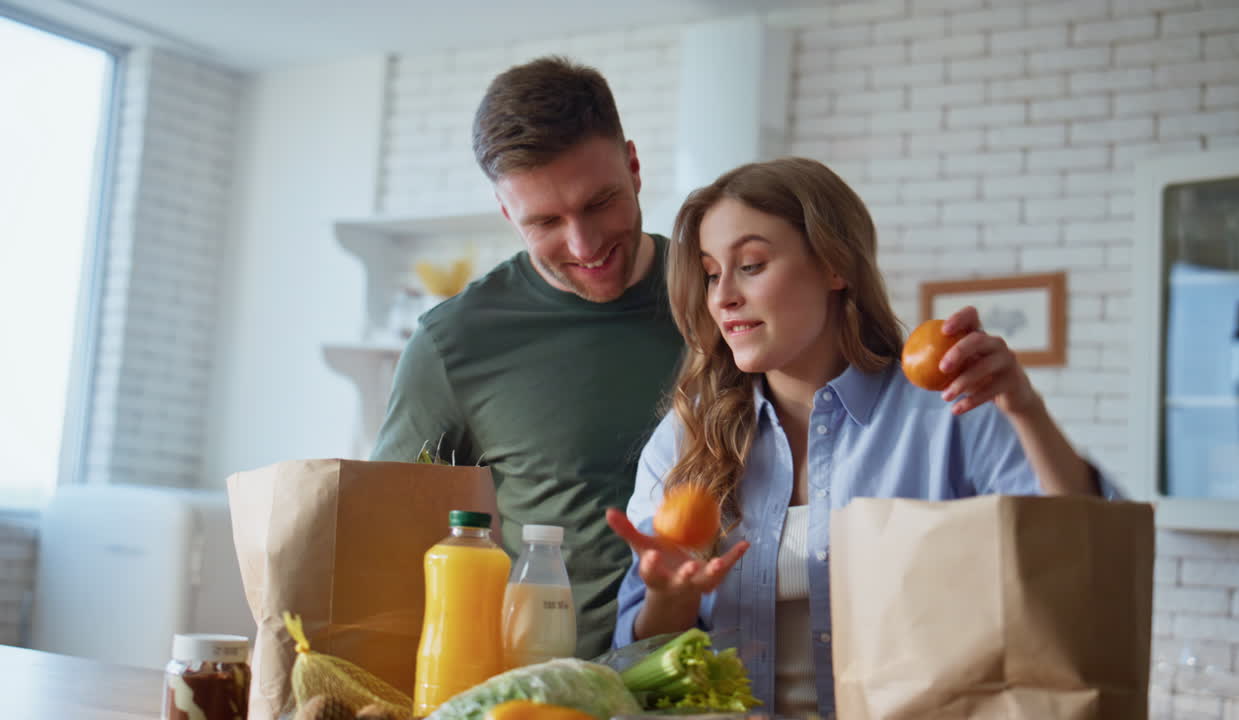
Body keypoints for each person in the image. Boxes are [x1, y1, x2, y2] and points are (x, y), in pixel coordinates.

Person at [606, 157, 1118, 717]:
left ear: (835, 265)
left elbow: (1085, 554)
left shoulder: (948, 407)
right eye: (710, 273)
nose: (723, 295)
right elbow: (636, 663)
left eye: (751, 264)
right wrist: (671, 595)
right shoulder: (688, 433)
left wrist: (1023, 407)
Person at [370, 56, 684, 658]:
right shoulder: (454, 342)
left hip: (733, 688)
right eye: (545, 221)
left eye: (600, 203)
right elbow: (389, 538)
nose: (584, 244)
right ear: (507, 213)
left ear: (635, 167)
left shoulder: (720, 297)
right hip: (547, 694)